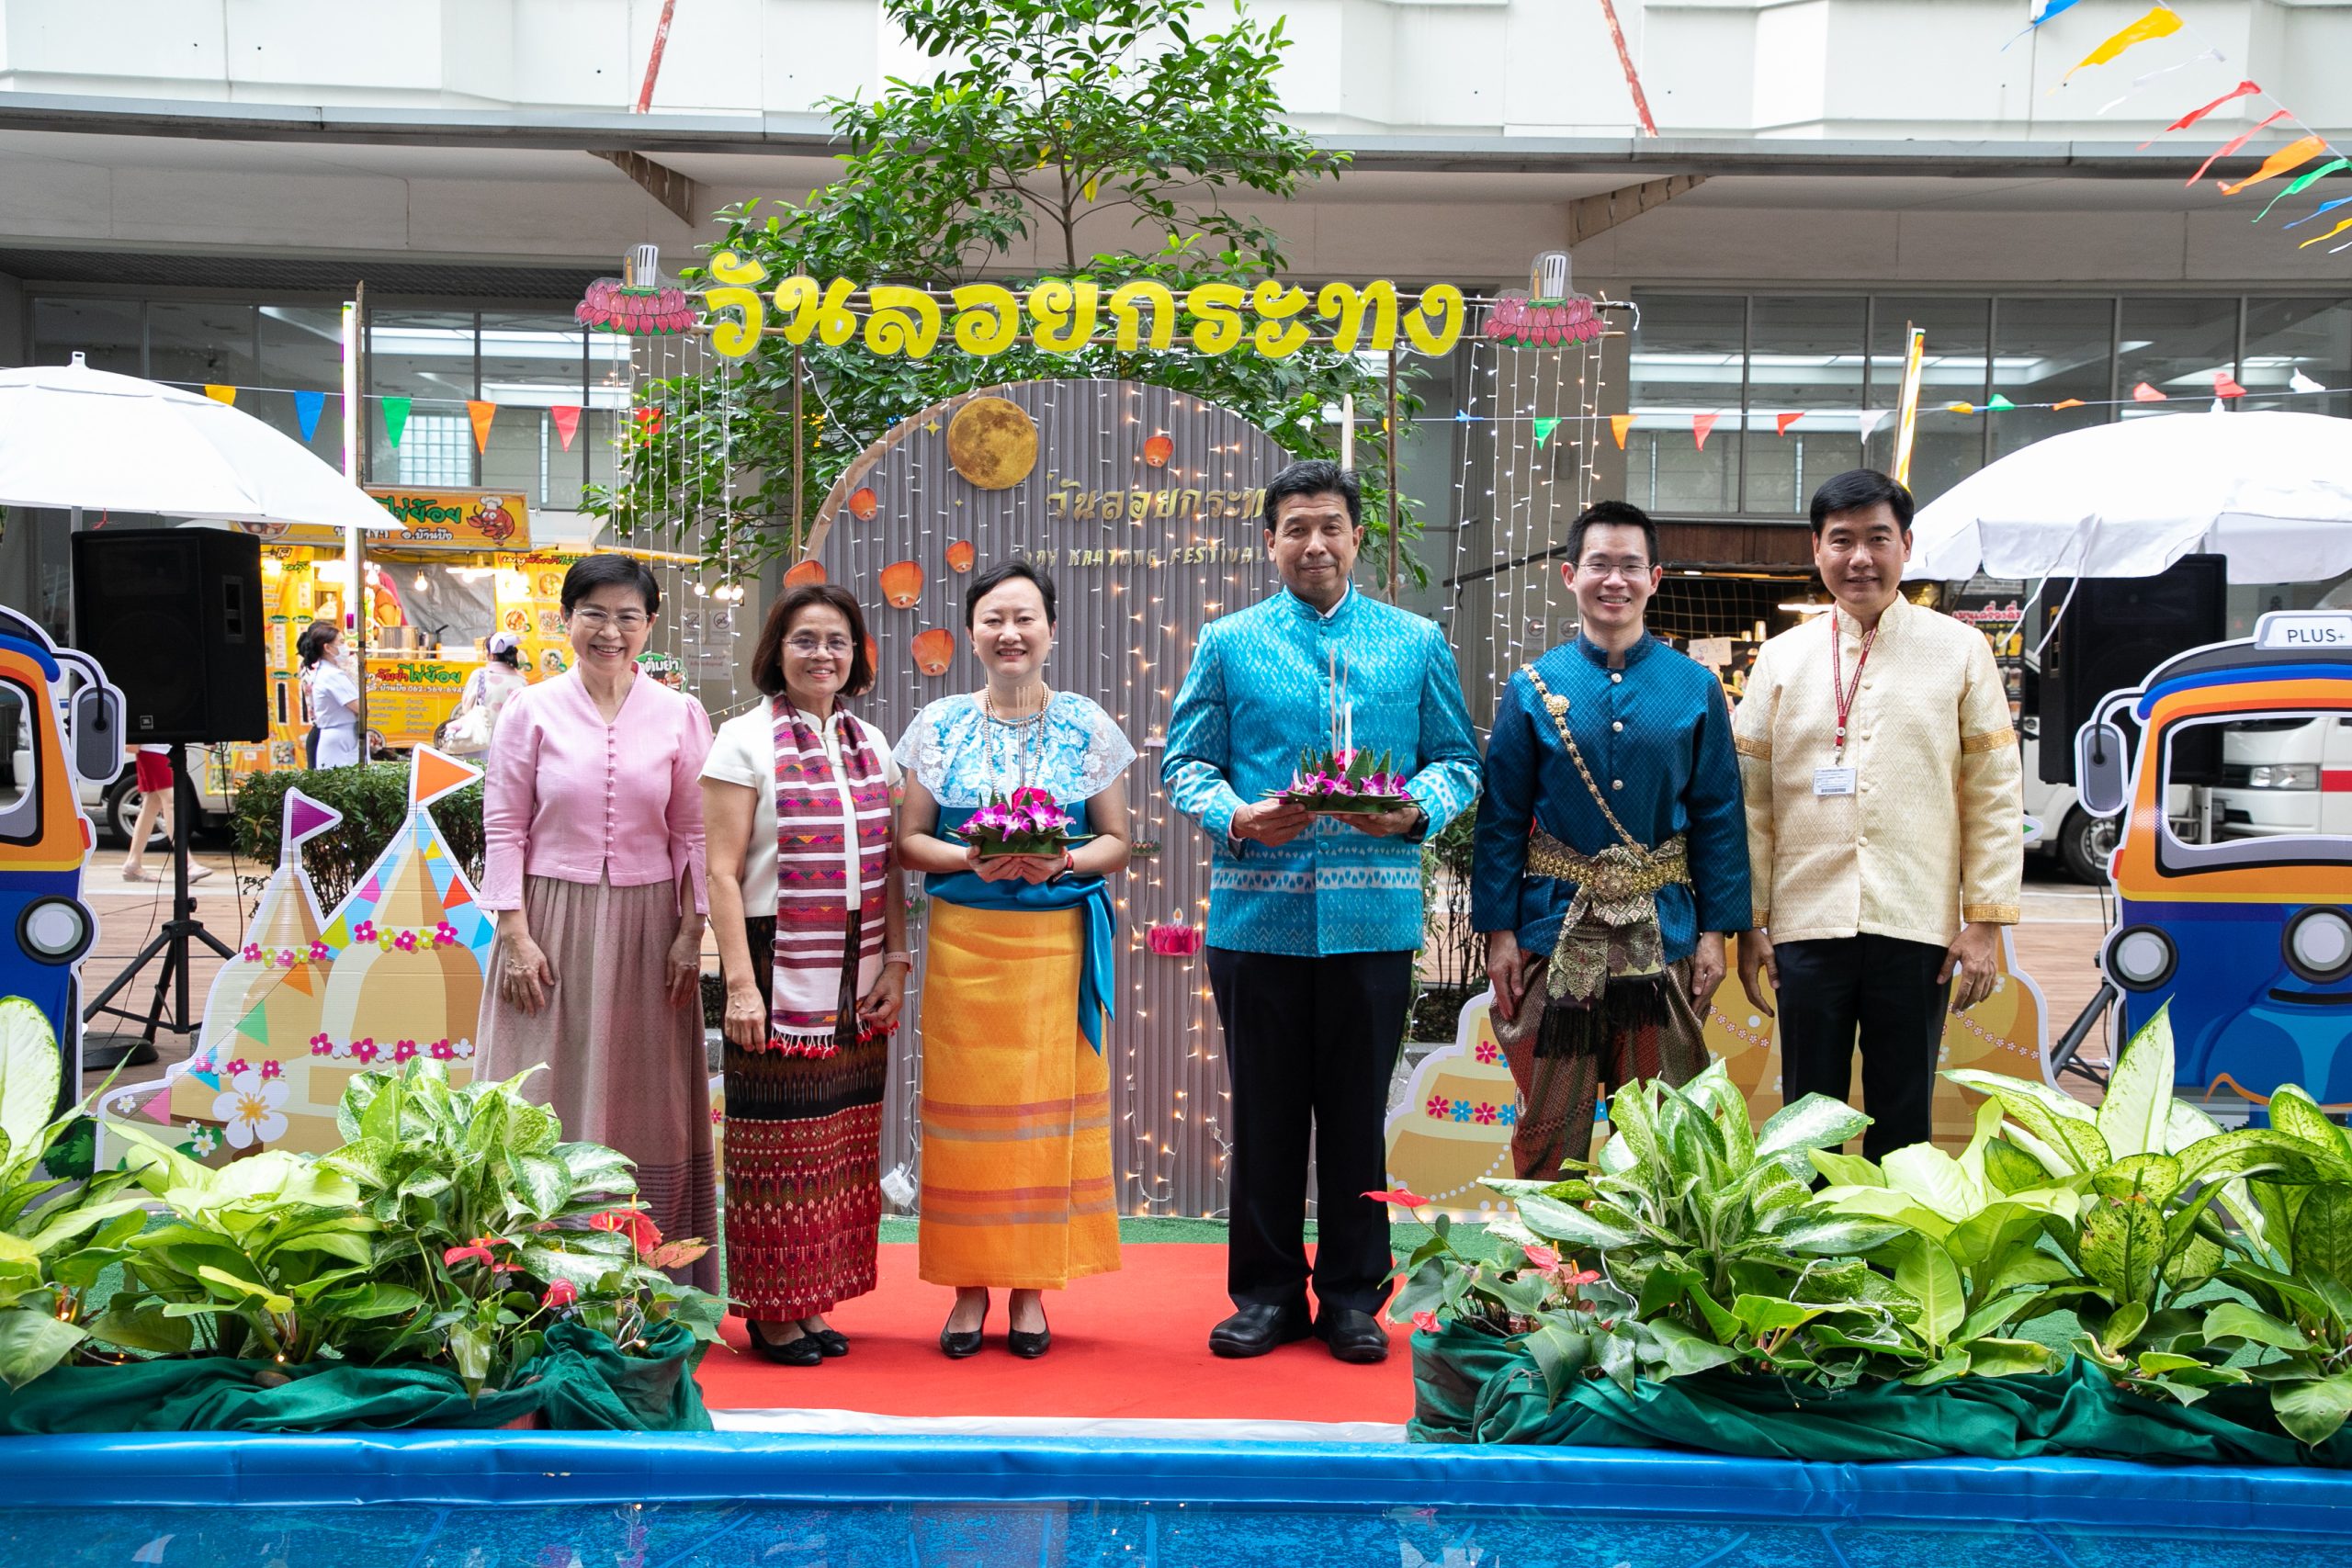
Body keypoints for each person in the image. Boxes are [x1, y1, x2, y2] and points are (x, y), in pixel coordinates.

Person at [1164, 459, 1480, 1365]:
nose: (1314, 543)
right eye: (1295, 528)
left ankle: (1351, 1296)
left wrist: (1414, 810)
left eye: (1330, 526)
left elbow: (1458, 759)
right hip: (1256, 918)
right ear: (1270, 541)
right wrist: (1236, 815)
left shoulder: (1414, 641)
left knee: (1354, 1119)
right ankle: (1265, 1296)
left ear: (1356, 537)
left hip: (1374, 919)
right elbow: (1185, 762)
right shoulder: (1228, 641)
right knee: (1264, 1118)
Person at [1733, 469, 2023, 1160]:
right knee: (1807, 1119)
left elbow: (1993, 791)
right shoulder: (1780, 658)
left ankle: (1895, 1233)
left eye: (1877, 538)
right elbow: (1750, 800)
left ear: (1906, 546)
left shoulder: (1960, 650)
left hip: (1916, 921)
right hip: (1805, 922)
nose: (1859, 557)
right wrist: (1750, 923)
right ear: (1817, 549)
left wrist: (1984, 921)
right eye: (1842, 540)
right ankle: (1806, 1230)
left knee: (1904, 1114)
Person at [895, 559, 1133, 1360]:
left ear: (1051, 631)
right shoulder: (937, 724)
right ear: (971, 633)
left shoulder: (1088, 724)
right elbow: (909, 840)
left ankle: (1030, 1289)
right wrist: (971, 858)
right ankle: (967, 1289)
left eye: (1025, 617)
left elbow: (1117, 840)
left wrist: (1061, 861)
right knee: (964, 1126)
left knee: (1041, 1121)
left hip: (1055, 950)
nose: (1010, 633)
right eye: (993, 618)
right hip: (965, 947)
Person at [1472, 501, 1747, 1179]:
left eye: (1631, 565)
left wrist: (1716, 933)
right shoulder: (1533, 688)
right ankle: (1546, 1248)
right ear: (1571, 575)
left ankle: (1646, 1249)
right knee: (1548, 1124)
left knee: (1659, 1133)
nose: (1614, 580)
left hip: (1666, 931)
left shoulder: (1696, 688)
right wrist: (1499, 931)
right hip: (1550, 930)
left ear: (1655, 578)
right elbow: (1501, 818)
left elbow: (1719, 815)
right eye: (1599, 564)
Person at [476, 553, 718, 1290]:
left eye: (627, 616)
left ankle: (644, 1273)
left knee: (649, 1095)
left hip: (651, 930)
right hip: (546, 924)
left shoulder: (680, 714)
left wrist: (692, 931)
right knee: (537, 1084)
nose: (610, 630)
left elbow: (695, 832)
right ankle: (522, 1275)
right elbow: (504, 826)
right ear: (566, 619)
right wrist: (514, 935)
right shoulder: (529, 709)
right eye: (594, 614)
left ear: (649, 625)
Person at [701, 584, 910, 1366]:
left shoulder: (872, 742)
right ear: (776, 651)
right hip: (774, 952)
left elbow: (888, 864)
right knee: (775, 1142)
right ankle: (771, 1310)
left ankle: (811, 1296)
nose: (823, 653)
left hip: (857, 956)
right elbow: (721, 873)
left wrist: (896, 960)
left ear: (856, 655)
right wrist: (739, 985)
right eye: (805, 639)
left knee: (837, 1137)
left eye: (838, 641)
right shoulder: (742, 740)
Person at [119, 744, 212, 885]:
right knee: (170, 802)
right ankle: (187, 863)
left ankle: (133, 864)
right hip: (152, 749)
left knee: (153, 803)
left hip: (158, 749)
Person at [440, 632, 528, 756]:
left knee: (477, 768)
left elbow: (467, 707)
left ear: (492, 655)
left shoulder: (479, 675)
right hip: (509, 746)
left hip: (479, 740)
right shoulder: (521, 681)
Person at [298, 620, 362, 768]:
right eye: (341, 642)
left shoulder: (312, 667)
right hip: (333, 732)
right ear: (326, 646)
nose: (345, 647)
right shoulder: (331, 672)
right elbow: (360, 707)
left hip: (325, 731)